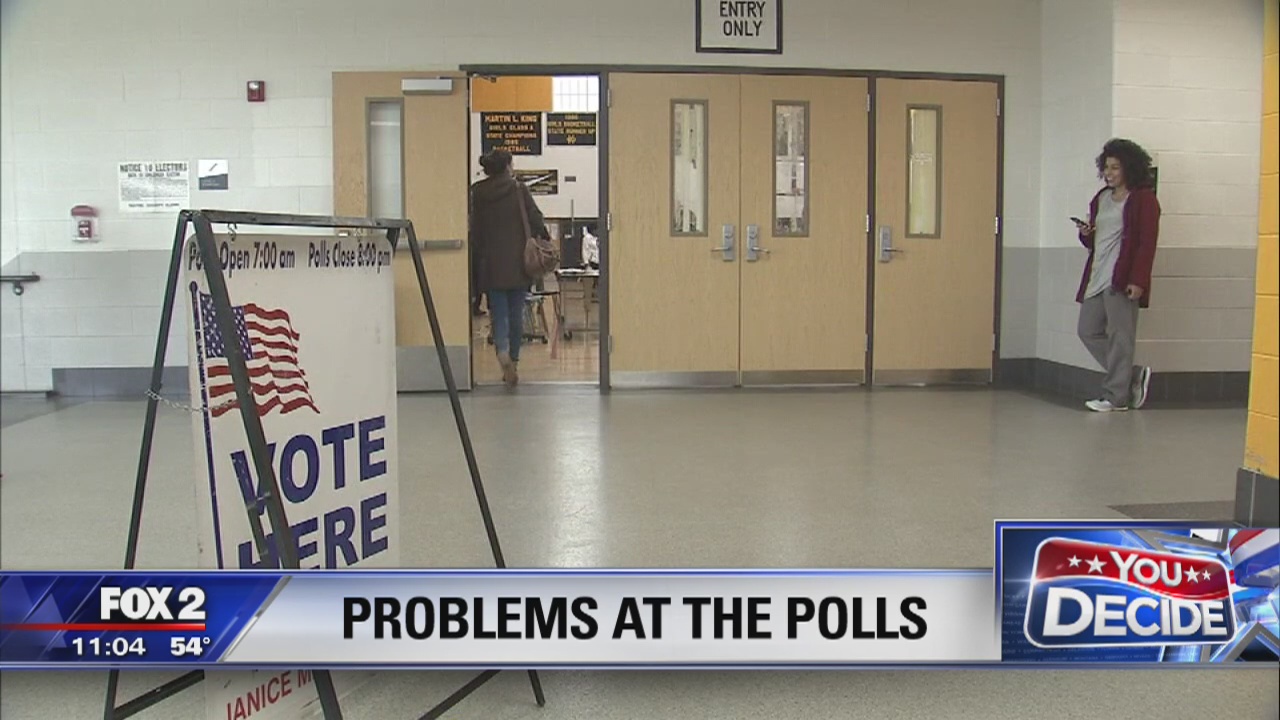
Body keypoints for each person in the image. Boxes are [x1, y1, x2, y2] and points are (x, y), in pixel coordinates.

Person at [1074, 138, 1160, 413]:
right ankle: (1132, 375)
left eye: (1115, 168)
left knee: (1121, 336)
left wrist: (1138, 280)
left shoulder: (1143, 200)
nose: (1108, 173)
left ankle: (1116, 397)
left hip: (1121, 278)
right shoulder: (1101, 198)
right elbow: (1096, 241)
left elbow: (1147, 243)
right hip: (1096, 275)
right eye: (1106, 167)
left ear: (1129, 168)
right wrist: (1086, 234)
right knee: (1087, 330)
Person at [470, 149, 550, 387]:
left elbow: (475, 229)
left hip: (491, 264)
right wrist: (544, 238)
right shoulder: (518, 189)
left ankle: (502, 351)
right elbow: (535, 218)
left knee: (498, 314)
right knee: (516, 314)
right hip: (519, 262)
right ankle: (513, 361)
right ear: (507, 166)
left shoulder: (478, 192)